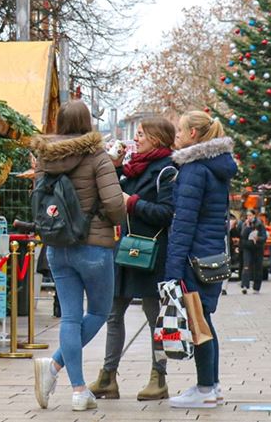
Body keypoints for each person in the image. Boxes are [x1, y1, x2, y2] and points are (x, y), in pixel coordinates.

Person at [30, 100, 126, 412]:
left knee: (70, 316)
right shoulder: (96, 156)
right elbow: (114, 202)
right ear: (87, 122)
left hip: (57, 246)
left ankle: (76, 388)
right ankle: (58, 370)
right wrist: (117, 221)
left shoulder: (45, 156)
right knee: (98, 312)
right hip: (93, 245)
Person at [90, 118, 177, 401]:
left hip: (152, 253)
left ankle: (158, 377)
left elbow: (167, 213)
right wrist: (113, 167)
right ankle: (107, 376)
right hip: (127, 250)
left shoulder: (167, 170)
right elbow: (113, 197)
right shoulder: (131, 168)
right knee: (113, 314)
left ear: (157, 138)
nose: (135, 139)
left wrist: (133, 203)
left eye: (140, 134)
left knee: (155, 318)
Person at [164, 110, 236, 409]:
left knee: (198, 322)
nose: (176, 135)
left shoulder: (194, 169)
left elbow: (184, 222)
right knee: (204, 319)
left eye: (180, 130)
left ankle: (205, 387)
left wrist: (172, 268)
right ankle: (212, 385)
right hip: (210, 254)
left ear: (193, 133)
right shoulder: (216, 167)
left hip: (193, 256)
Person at [239, 211, 267, 294]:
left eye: (250, 215)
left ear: (254, 215)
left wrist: (258, 238)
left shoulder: (259, 224)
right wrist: (247, 227)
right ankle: (245, 286)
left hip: (257, 248)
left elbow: (264, 237)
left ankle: (256, 287)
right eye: (247, 215)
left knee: (258, 267)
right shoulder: (244, 224)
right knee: (246, 265)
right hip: (247, 247)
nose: (249, 217)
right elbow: (242, 235)